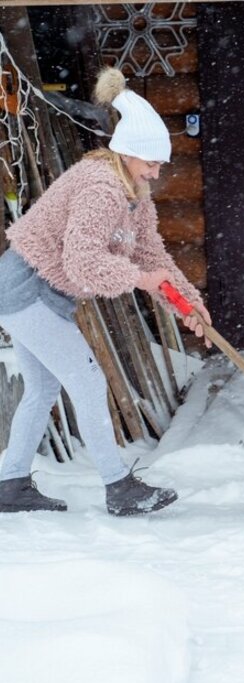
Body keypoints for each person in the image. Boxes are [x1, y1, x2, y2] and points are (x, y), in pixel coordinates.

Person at [0, 67, 210, 515]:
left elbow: (152, 256)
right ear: (128, 155)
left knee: (43, 388)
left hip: (38, 292)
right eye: (151, 164)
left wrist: (189, 304)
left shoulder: (133, 190)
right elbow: (84, 261)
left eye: (160, 166)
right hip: (26, 287)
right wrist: (140, 280)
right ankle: (119, 488)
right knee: (89, 381)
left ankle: (10, 485)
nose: (155, 174)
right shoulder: (101, 188)